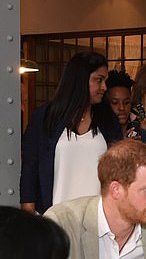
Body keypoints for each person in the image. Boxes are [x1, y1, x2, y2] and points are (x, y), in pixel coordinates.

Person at [20, 51, 120, 213]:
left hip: (98, 217)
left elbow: (118, 169)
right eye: (99, 80)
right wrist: (28, 208)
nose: (104, 87)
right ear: (80, 80)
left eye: (105, 81)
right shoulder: (44, 116)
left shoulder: (108, 120)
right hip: (53, 215)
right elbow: (30, 166)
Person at [106, 69, 134, 140]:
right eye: (115, 103)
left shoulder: (140, 133)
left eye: (126, 102)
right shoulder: (99, 136)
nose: (122, 108)